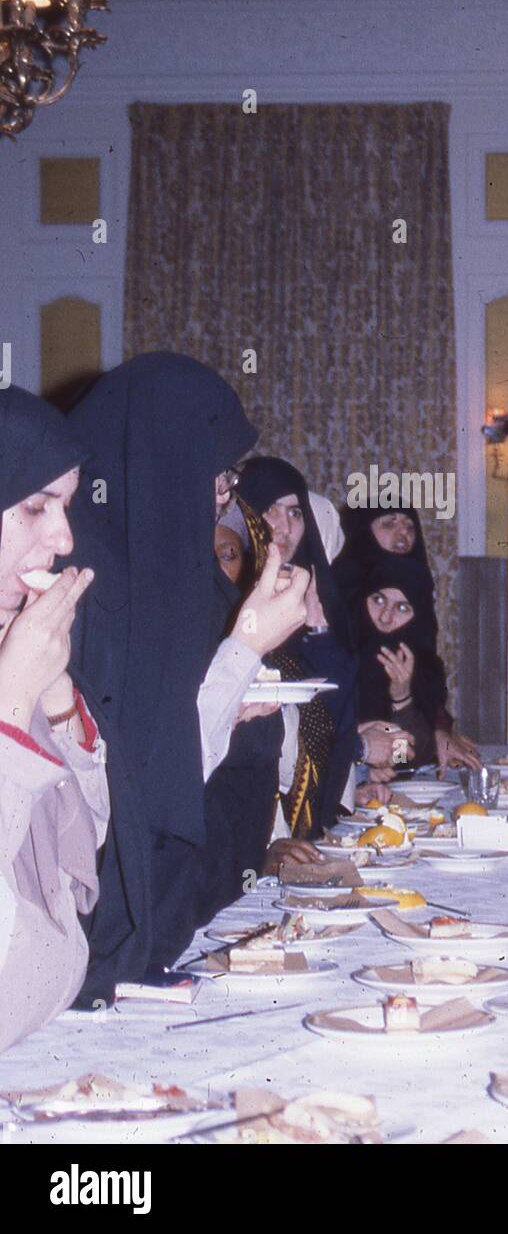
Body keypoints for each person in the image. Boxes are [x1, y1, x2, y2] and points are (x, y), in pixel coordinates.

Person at [67, 353, 309, 1000]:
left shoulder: (176, 566)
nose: (225, 495)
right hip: (89, 944)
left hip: (160, 923)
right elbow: (142, 781)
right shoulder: (89, 577)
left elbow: (185, 738)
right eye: (220, 474)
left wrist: (235, 691)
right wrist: (248, 645)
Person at [0, 386, 107, 1050]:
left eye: (65, 506)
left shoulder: (13, 637)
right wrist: (12, 697)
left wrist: (56, 690)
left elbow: (84, 837)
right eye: (35, 505)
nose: (65, 538)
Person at [238, 458, 364, 853]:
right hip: (252, 825)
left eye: (295, 512)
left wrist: (318, 628)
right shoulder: (229, 596)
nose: (284, 525)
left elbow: (339, 711)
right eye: (270, 510)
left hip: (309, 821)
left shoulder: (311, 592)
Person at [334, 502, 480, 770]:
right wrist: (362, 768)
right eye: (389, 523)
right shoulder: (332, 610)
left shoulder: (412, 632)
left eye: (410, 526)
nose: (403, 533)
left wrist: (436, 729)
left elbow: (402, 757)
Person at [356, 556, 451, 770]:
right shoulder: (339, 655)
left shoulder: (425, 669)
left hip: (388, 796)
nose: (385, 618)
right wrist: (361, 770)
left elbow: (403, 759)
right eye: (378, 600)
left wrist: (401, 699)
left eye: (401, 608)